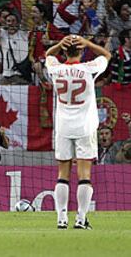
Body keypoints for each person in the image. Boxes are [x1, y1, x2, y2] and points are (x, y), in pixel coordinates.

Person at [45, 34, 111, 230]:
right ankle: (81, 218)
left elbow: (48, 54)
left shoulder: (56, 69)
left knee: (62, 174)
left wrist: (58, 44)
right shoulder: (89, 69)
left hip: (63, 126)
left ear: (64, 51)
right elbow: (107, 55)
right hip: (85, 127)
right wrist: (89, 43)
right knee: (84, 175)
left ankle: (61, 218)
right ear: (81, 51)